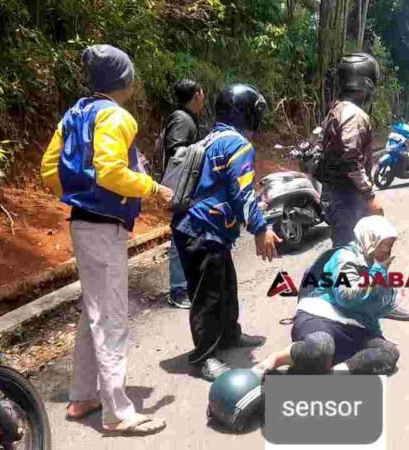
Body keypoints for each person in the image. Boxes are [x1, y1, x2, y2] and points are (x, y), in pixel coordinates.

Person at [40, 44, 171, 435]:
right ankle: (118, 412)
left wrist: (77, 190)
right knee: (111, 316)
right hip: (105, 227)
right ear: (123, 80)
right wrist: (152, 188)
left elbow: (49, 169)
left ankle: (83, 396)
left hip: (83, 223)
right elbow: (111, 171)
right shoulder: (116, 117)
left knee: (92, 311)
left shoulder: (74, 113)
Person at [172, 83, 282, 382]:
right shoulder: (238, 145)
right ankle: (205, 357)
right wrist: (261, 229)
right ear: (245, 112)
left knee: (225, 285)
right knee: (207, 296)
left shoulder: (211, 138)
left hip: (202, 227)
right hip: (202, 228)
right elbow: (241, 192)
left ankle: (230, 335)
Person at [317, 53, 409, 322]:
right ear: (366, 83)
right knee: (356, 251)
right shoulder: (354, 114)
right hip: (348, 196)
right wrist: (370, 194)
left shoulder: (337, 109)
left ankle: (376, 300)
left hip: (339, 194)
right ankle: (353, 308)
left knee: (355, 250)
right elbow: (350, 156)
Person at [254, 216, 400, 376]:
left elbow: (372, 309)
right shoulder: (346, 257)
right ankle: (276, 359)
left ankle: (332, 374)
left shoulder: (375, 265)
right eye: (385, 245)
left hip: (352, 325)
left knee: (388, 353)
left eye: (391, 246)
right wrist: (376, 274)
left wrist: (378, 336)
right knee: (320, 347)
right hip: (321, 316)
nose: (389, 251)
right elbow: (347, 297)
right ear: (371, 240)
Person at [163, 79, 205, 309]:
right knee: (180, 232)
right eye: (202, 92)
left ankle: (186, 284)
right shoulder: (181, 118)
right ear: (197, 94)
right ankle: (177, 290)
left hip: (188, 185)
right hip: (182, 185)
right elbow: (176, 151)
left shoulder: (187, 117)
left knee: (188, 231)